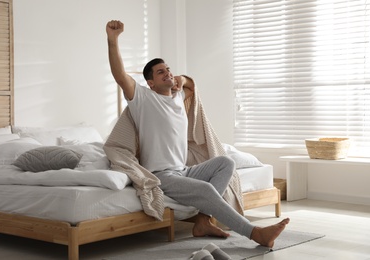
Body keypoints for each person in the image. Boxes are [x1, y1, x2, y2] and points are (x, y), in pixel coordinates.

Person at [106, 20, 289, 248]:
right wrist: (113, 41)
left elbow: (190, 83)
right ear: (150, 83)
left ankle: (202, 221)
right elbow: (120, 75)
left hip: (184, 170)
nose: (168, 73)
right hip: (163, 175)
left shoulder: (178, 96)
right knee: (206, 189)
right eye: (161, 72)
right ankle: (255, 233)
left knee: (225, 163)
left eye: (168, 69)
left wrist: (180, 80)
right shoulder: (143, 99)